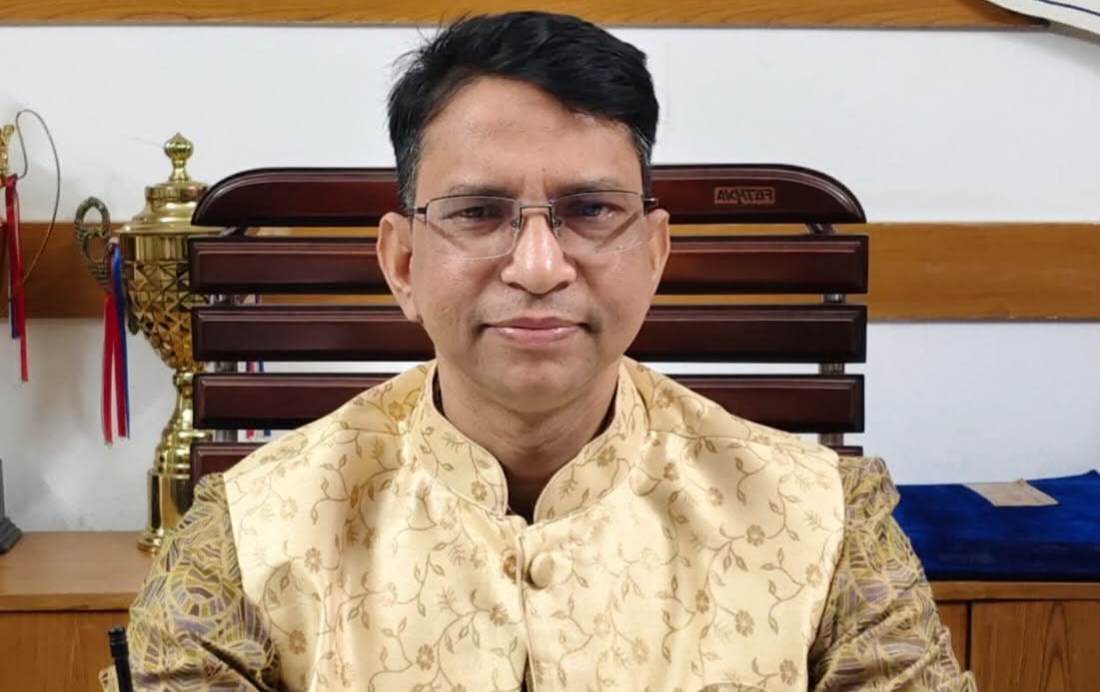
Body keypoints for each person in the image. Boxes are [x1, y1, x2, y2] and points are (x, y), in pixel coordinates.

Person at [101, 11, 975, 692]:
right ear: (402, 264)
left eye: (590, 211)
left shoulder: (823, 529)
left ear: (655, 254)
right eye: (479, 213)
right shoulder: (249, 536)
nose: (539, 265)